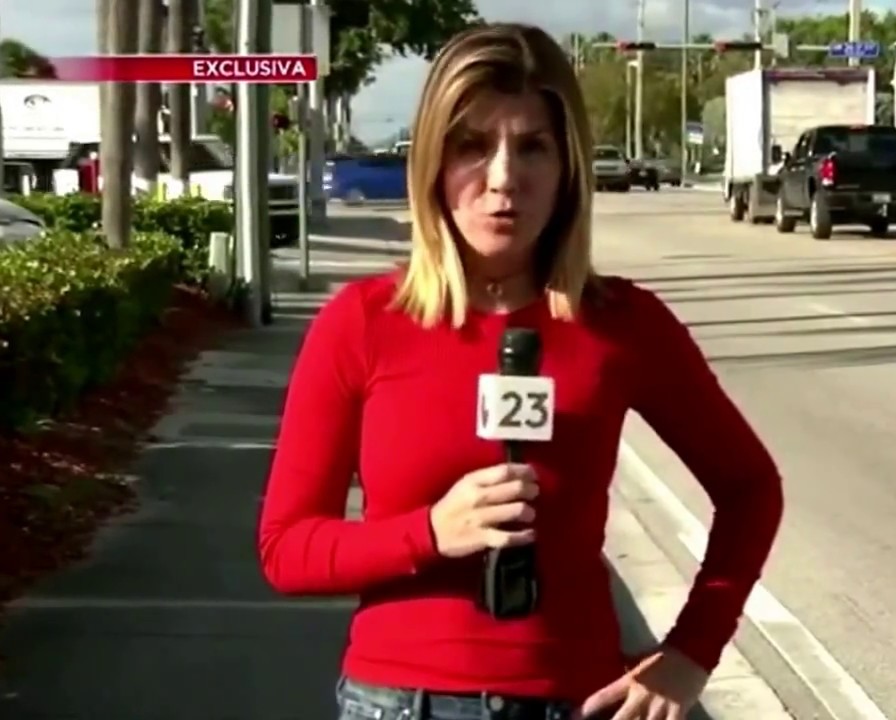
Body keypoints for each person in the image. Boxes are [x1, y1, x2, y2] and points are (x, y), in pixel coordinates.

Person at [257, 22, 784, 720]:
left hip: (576, 697)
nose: (504, 178)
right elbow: (287, 548)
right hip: (401, 701)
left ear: (568, 167)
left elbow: (750, 488)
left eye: (533, 146)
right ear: (434, 163)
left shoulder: (623, 324)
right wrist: (430, 532)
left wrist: (692, 652)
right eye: (473, 146)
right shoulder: (362, 322)